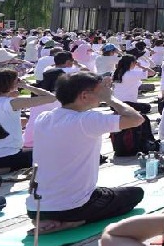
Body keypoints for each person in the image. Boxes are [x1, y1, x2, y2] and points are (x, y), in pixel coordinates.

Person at [29, 73, 146, 233]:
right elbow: (136, 119)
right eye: (99, 93)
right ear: (84, 95)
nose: (102, 96)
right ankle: (72, 222)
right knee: (135, 194)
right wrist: (110, 98)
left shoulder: (44, 118)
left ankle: (54, 220)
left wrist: (100, 89)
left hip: (36, 208)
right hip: (73, 207)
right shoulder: (87, 120)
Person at [0, 69, 56, 178]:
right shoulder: (12, 103)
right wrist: (27, 86)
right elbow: (51, 98)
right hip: (5, 158)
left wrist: (9, 94)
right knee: (45, 152)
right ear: (9, 84)